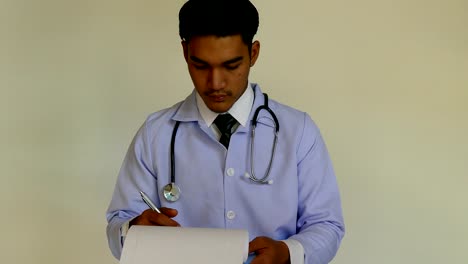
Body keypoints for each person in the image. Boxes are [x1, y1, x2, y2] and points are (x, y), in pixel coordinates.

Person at [106, 0, 345, 263]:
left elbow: (327, 225)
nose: (216, 82)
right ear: (185, 53)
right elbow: (119, 225)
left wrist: (288, 252)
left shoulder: (298, 131)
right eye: (201, 66)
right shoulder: (155, 134)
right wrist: (133, 230)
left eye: (231, 66)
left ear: (253, 53)